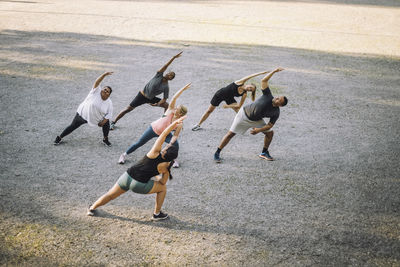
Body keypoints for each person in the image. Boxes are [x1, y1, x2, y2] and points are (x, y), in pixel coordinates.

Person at [87, 116, 186, 221]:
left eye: (166, 147)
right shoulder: (166, 166)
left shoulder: (154, 152)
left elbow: (164, 133)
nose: (166, 146)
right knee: (162, 189)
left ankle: (92, 208)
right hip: (139, 185)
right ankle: (157, 214)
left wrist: (174, 123)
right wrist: (157, 176)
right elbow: (162, 183)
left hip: (127, 176)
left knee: (110, 195)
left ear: (165, 150)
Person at [213, 68, 288, 163]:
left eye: (278, 100)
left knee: (270, 133)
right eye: (278, 97)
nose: (276, 98)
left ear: (280, 105)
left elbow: (270, 125)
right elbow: (264, 80)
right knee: (230, 134)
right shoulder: (268, 95)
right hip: (243, 115)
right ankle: (217, 152)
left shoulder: (276, 112)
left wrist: (258, 130)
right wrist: (274, 71)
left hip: (256, 120)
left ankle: (264, 152)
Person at [118, 83, 191, 167]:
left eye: (177, 108)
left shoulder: (180, 123)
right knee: (139, 143)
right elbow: (174, 97)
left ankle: (173, 160)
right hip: (153, 129)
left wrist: (170, 143)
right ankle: (123, 155)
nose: (175, 108)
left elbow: (175, 135)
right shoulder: (170, 110)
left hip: (164, 134)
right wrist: (183, 89)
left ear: (180, 113)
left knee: (175, 145)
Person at [110, 51, 183, 130]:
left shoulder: (166, 87)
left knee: (167, 105)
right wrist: (173, 58)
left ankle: (164, 123)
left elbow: (164, 99)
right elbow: (165, 65)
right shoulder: (158, 75)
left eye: (171, 76)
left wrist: (158, 104)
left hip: (151, 98)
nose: (169, 75)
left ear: (171, 79)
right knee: (128, 109)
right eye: (169, 73)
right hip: (142, 96)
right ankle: (113, 122)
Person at [191, 71, 269, 131]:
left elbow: (238, 106)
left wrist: (228, 106)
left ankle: (254, 126)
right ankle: (198, 125)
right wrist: (261, 73)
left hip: (229, 98)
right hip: (220, 94)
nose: (249, 89)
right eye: (250, 87)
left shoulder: (244, 94)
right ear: (249, 84)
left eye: (251, 90)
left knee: (240, 112)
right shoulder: (240, 82)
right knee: (209, 110)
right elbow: (250, 76)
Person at [54, 72, 114, 146]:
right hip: (83, 115)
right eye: (104, 89)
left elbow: (109, 114)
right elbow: (97, 82)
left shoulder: (109, 103)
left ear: (109, 95)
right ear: (101, 90)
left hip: (96, 119)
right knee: (72, 126)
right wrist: (104, 75)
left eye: (107, 91)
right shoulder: (95, 91)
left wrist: (103, 122)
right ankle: (59, 137)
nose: (105, 91)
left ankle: (105, 139)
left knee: (106, 123)